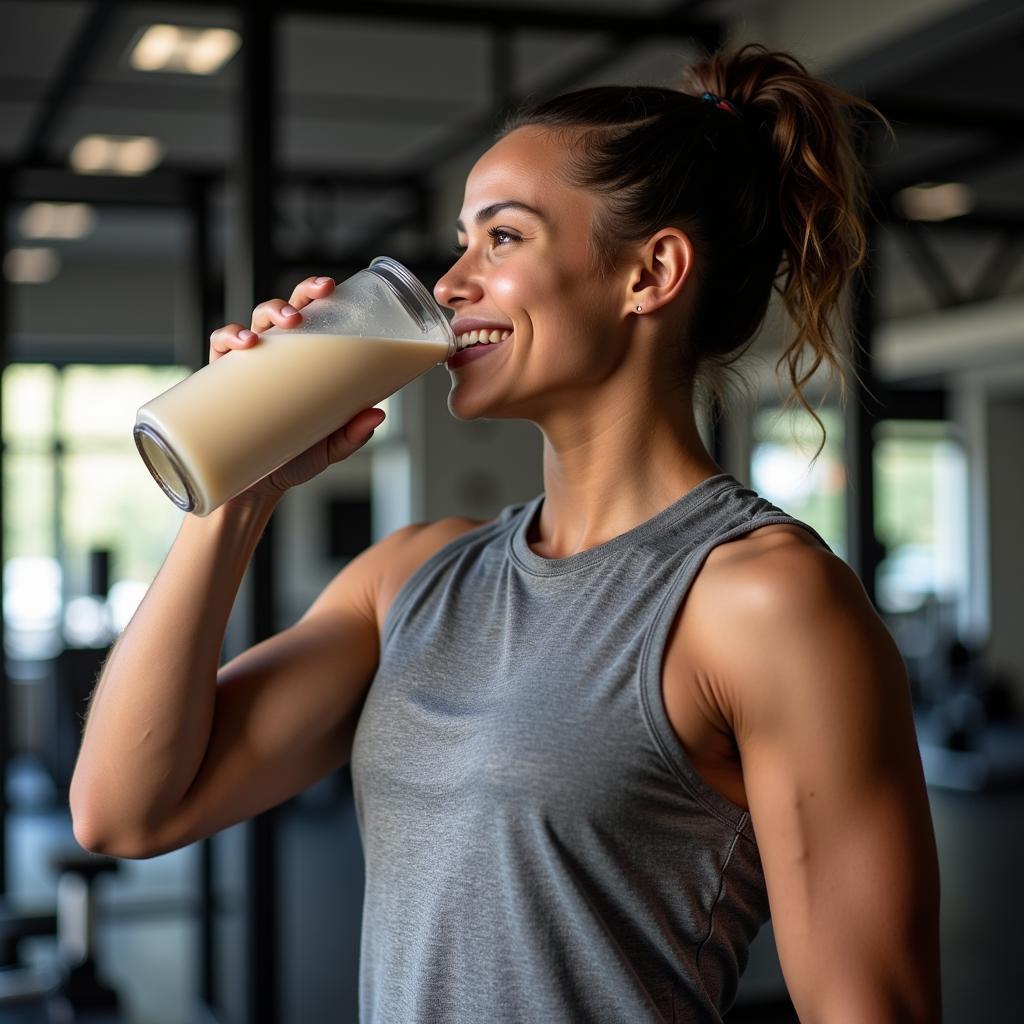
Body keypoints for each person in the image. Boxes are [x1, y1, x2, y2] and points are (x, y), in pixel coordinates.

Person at [71, 42, 942, 1023]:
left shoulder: (762, 600)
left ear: (650, 272)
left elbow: (874, 1007)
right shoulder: (411, 576)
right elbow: (124, 809)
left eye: (503, 238)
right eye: (461, 240)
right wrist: (237, 490)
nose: (449, 283)